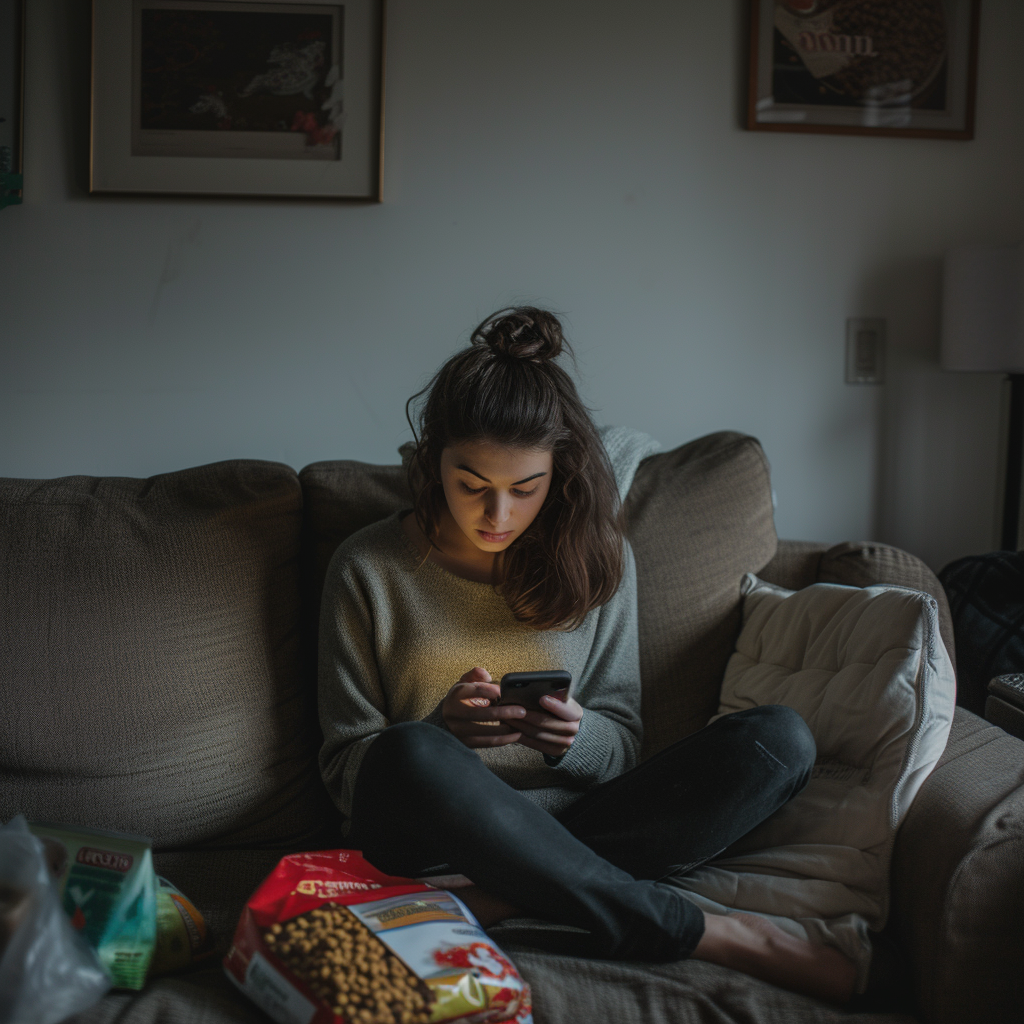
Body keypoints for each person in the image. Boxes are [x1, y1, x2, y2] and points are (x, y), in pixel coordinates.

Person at [318, 307, 857, 1003]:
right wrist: (443, 733)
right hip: (428, 837)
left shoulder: (599, 560)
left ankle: (500, 897)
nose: (498, 515)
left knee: (778, 741)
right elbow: (344, 770)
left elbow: (624, 744)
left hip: (576, 828)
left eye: (525, 489)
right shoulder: (366, 567)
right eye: (472, 485)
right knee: (410, 751)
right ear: (431, 464)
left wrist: (573, 736)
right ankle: (694, 929)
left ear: (559, 472)